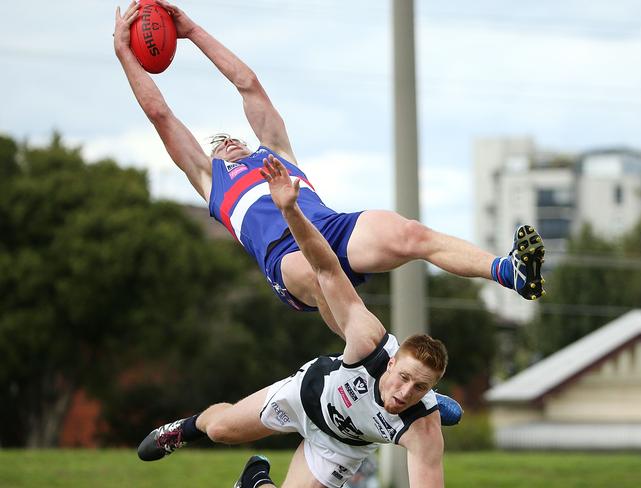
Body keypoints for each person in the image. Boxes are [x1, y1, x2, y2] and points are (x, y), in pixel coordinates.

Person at [113, 1, 546, 338]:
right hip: (287, 255)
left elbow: (247, 83)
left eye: (233, 138)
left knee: (410, 233)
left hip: (333, 230)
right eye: (218, 144)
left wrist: (191, 31)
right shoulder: (211, 181)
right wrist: (123, 53)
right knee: (321, 278)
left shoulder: (276, 151)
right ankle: (380, 364)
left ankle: (510, 272)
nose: (227, 143)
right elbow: (161, 115)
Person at [137, 155, 456, 487]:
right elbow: (327, 268)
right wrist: (290, 210)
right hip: (306, 396)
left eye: (420, 388)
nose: (405, 392)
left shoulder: (423, 430)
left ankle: (255, 481)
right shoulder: (368, 343)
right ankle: (183, 429)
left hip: (341, 446)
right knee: (220, 430)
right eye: (404, 377)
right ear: (391, 365)